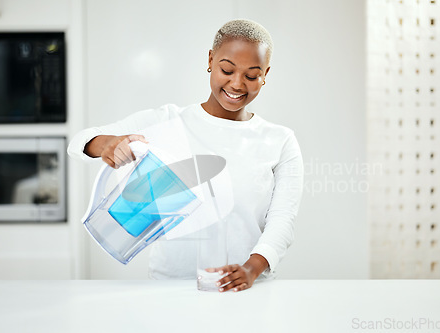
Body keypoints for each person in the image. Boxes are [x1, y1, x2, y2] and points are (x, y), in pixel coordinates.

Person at [68, 19, 303, 292]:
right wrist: (106, 144)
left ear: (265, 74)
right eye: (227, 70)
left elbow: (283, 220)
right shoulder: (167, 121)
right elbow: (78, 142)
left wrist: (251, 269)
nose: (237, 84)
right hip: (170, 288)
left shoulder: (279, 140)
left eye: (251, 76)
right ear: (211, 60)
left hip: (247, 288)